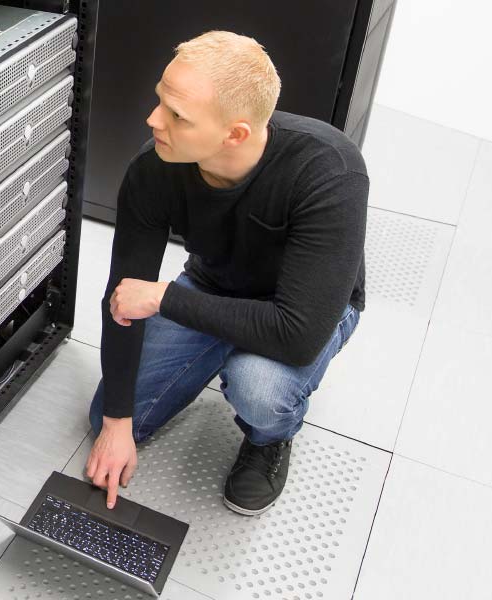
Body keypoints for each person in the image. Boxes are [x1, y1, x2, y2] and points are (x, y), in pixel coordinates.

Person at [84, 31, 368, 516]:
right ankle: (218, 346)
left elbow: (298, 334)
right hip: (215, 285)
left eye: (178, 116)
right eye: (160, 101)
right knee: (106, 413)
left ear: (235, 133)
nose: (153, 120)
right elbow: (126, 297)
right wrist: (116, 424)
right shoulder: (154, 168)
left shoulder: (329, 170)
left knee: (258, 387)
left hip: (301, 310)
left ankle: (270, 438)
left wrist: (167, 300)